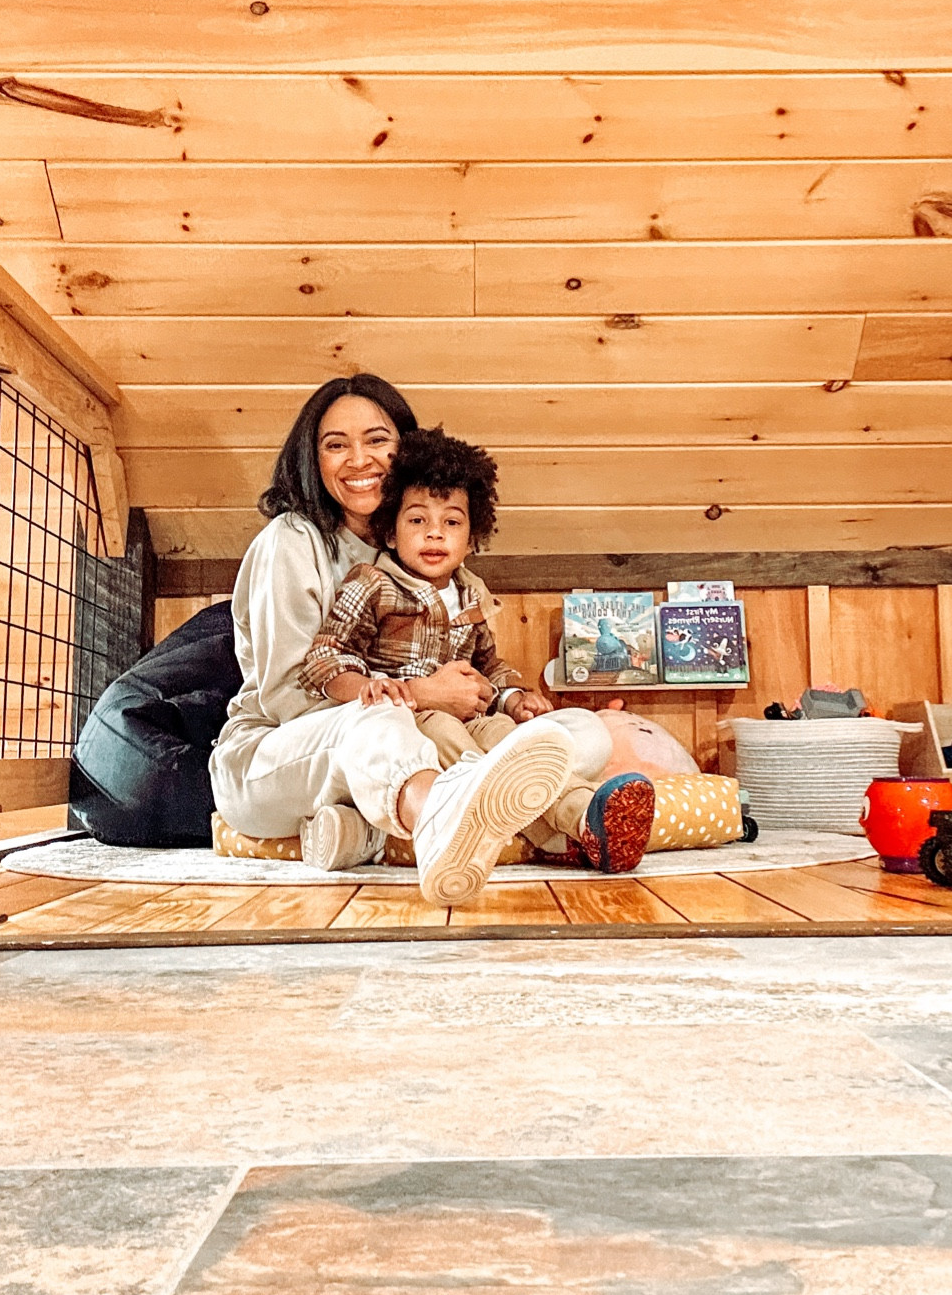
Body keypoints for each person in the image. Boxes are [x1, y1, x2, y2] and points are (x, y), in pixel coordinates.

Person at [207, 377, 640, 906]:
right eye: (335, 444)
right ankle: (446, 821)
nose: (358, 459)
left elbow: (482, 667)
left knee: (580, 732)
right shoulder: (292, 541)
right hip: (282, 755)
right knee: (380, 720)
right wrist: (423, 696)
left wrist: (512, 702)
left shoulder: (434, 560)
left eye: (376, 440)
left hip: (416, 748)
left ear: (405, 451)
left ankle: (376, 827)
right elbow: (287, 699)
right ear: (312, 459)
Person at [299, 426, 655, 874]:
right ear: (390, 532)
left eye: (451, 522)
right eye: (417, 521)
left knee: (515, 743)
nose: (434, 535)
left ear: (471, 539)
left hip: (474, 718)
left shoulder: (472, 596)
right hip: (412, 721)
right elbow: (326, 654)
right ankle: (482, 825)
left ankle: (589, 818)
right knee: (452, 739)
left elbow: (489, 666)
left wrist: (515, 698)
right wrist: (371, 687)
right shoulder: (372, 584)